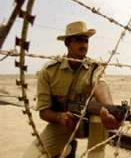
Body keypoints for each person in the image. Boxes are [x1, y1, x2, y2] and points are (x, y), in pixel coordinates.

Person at [22, 21, 121, 158]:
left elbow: (100, 84)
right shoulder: (49, 71)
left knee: (98, 119)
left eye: (86, 41)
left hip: (90, 125)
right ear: (67, 43)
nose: (84, 45)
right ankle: (66, 148)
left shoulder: (94, 68)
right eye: (79, 40)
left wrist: (111, 110)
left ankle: (95, 153)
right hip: (64, 123)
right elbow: (44, 112)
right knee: (32, 155)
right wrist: (59, 117)